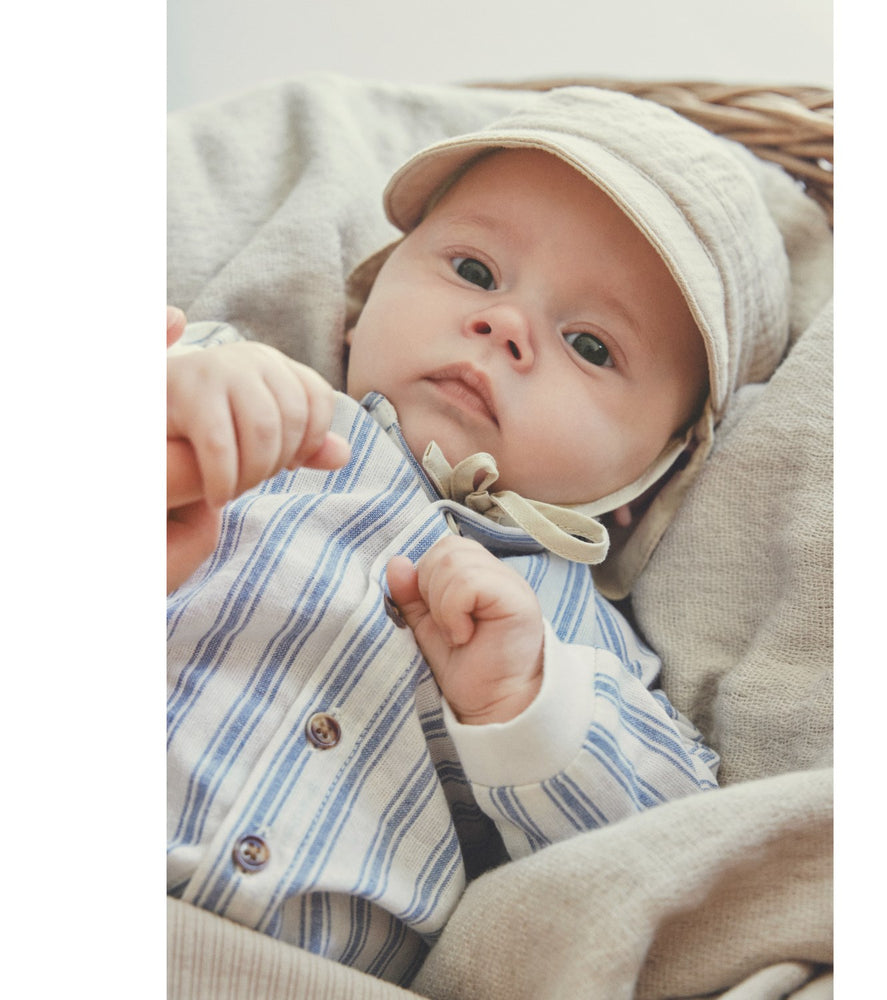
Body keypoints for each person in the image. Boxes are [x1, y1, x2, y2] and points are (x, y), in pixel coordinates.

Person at [167, 86, 790, 986]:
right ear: (362, 301)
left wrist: (528, 706)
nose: (504, 325)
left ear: (652, 481)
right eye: (473, 270)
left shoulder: (577, 647)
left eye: (591, 345)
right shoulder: (238, 392)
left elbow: (672, 858)